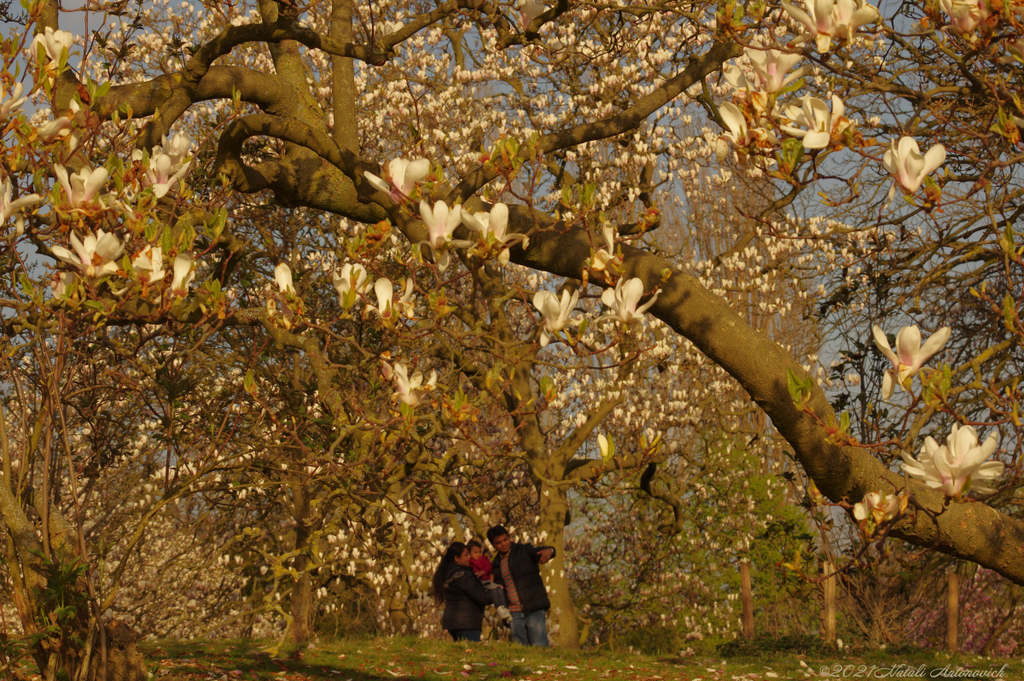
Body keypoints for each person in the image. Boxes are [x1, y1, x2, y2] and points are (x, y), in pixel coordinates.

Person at [486, 525, 556, 646]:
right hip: (514, 613)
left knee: (539, 646)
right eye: (498, 543)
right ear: (493, 545)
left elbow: (542, 551)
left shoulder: (524, 550)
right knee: (520, 650)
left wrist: (550, 550)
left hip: (533, 608)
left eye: (505, 540)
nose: (503, 544)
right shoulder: (496, 565)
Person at [431, 541, 492, 642]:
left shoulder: (448, 574)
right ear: (456, 558)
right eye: (466, 555)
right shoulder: (464, 575)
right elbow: (482, 597)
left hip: (453, 622)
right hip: (467, 623)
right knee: (470, 653)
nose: (469, 557)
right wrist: (497, 593)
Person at [467, 539, 512, 625]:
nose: (478, 554)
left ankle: (504, 608)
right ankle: (499, 607)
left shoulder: (484, 558)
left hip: (487, 580)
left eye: (480, 552)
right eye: (475, 552)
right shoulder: (470, 562)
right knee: (494, 589)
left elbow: (489, 567)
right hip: (480, 582)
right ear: (469, 553)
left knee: (498, 588)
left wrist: (483, 571)